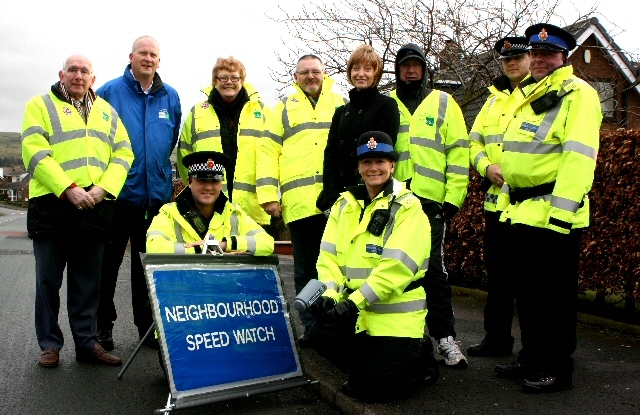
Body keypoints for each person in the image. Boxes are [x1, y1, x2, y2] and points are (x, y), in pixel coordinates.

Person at [494, 23, 601, 393]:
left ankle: (557, 369)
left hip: (553, 216)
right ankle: (532, 357)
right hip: (523, 212)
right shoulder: (534, 92)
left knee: (554, 301)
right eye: (535, 54)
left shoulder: (578, 94)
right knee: (530, 296)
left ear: (563, 57)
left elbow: (579, 158)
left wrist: (561, 215)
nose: (539, 59)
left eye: (547, 54)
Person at [308, 131, 438, 402]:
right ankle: (372, 367)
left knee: (370, 391)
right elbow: (328, 258)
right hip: (358, 315)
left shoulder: (408, 208)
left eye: (380, 161)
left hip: (395, 320)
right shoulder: (344, 205)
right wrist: (330, 297)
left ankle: (420, 357)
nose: (373, 168)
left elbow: (395, 270)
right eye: (366, 162)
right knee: (318, 334)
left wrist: (352, 303)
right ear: (358, 166)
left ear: (392, 165)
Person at [21, 54, 133, 368]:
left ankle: (87, 344)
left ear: (92, 79)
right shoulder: (40, 105)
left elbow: (124, 153)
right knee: (47, 282)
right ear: (61, 74)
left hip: (94, 208)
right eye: (73, 70)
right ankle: (50, 345)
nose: (78, 75)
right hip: (52, 206)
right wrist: (69, 188)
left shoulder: (107, 113)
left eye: (85, 71)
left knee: (88, 284)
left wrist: (104, 188)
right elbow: (34, 151)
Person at [95, 35, 182, 351]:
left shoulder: (170, 96)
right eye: (143, 53)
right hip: (115, 197)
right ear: (131, 56)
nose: (148, 58)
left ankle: (147, 329)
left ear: (159, 60)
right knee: (107, 266)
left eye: (154, 54)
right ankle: (101, 328)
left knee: (147, 269)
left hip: (154, 199)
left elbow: (169, 140)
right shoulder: (108, 92)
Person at [391, 43, 470, 367]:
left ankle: (445, 339)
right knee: (395, 270)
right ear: (397, 70)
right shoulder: (388, 104)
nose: (411, 70)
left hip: (432, 203)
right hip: (395, 202)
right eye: (405, 65)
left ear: (425, 69)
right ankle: (405, 339)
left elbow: (458, 152)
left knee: (434, 272)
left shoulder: (443, 102)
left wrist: (453, 199)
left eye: (416, 65)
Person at [257, 55, 346, 338]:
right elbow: (268, 152)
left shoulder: (341, 103)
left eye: (315, 71)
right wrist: (270, 195)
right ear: (295, 77)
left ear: (325, 73)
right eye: (304, 72)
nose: (311, 76)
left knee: (338, 266)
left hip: (338, 204)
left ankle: (338, 322)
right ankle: (311, 326)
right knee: (306, 269)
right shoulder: (282, 108)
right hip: (301, 204)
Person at [466, 36, 530, 357]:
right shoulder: (492, 101)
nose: (512, 64)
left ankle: (533, 351)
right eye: (506, 60)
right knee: (499, 278)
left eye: (518, 58)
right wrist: (486, 167)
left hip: (528, 207)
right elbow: (473, 143)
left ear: (531, 58)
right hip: (495, 205)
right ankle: (497, 340)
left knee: (530, 283)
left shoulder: (539, 94)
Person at [178, 57, 270, 230]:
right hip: (210, 206)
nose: (229, 82)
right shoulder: (197, 113)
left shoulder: (263, 112)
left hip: (253, 206)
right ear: (215, 81)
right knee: (214, 255)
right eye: (223, 78)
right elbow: (185, 157)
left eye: (235, 78)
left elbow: (273, 156)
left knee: (250, 252)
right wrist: (198, 190)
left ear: (242, 81)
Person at [315, 44, 399, 212]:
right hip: (340, 196)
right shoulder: (341, 112)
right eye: (356, 68)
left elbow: (382, 153)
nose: (361, 74)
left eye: (367, 69)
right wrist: (332, 198)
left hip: (371, 193)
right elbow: (330, 155)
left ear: (376, 73)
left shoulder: (387, 106)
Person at [147, 150, 274, 256]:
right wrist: (202, 250)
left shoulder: (233, 212)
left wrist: (222, 245)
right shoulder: (169, 213)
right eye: (202, 180)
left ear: (221, 183)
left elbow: (267, 244)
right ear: (189, 182)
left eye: (214, 181)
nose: (208, 187)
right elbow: (153, 247)